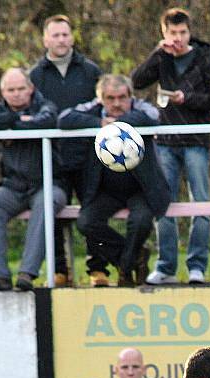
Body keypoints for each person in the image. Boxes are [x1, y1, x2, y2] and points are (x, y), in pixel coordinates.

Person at [131, 7, 210, 286]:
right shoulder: (162, 57)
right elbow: (136, 82)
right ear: (164, 33)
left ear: (190, 32)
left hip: (196, 140)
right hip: (166, 142)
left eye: (183, 33)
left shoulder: (205, 57)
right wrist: (158, 54)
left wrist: (189, 98)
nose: (179, 38)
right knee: (163, 203)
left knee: (201, 203)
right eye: (173, 33)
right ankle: (166, 266)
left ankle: (197, 266)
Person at [57, 75, 169, 287]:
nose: (117, 104)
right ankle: (132, 259)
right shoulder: (93, 111)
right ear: (100, 99)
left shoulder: (141, 109)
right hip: (107, 191)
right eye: (110, 98)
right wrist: (98, 123)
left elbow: (154, 116)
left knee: (141, 221)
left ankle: (125, 267)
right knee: (86, 222)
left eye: (122, 98)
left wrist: (117, 125)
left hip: (141, 188)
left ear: (130, 96)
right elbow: (64, 118)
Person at [0, 68, 66, 292]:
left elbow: (45, 122)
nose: (16, 94)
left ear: (31, 89)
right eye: (10, 90)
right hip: (13, 186)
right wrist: (17, 118)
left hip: (48, 184)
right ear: (3, 92)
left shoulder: (45, 106)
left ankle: (27, 273)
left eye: (21, 89)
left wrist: (10, 124)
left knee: (45, 205)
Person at [30, 14, 101, 287]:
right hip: (53, 157)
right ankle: (60, 269)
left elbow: (100, 108)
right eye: (55, 35)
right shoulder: (35, 76)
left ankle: (98, 268)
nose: (61, 40)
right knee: (54, 212)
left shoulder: (90, 71)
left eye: (65, 35)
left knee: (92, 211)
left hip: (89, 155)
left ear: (72, 38)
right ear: (45, 39)